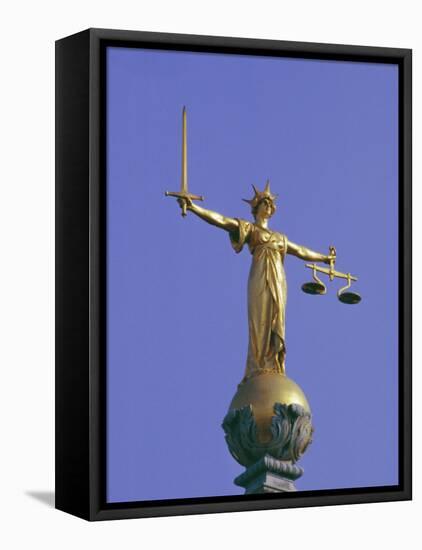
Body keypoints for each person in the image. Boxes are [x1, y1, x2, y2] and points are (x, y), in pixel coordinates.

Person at [178, 181, 334, 381]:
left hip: (278, 278)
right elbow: (222, 221)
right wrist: (193, 207)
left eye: (270, 204)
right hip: (259, 275)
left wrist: (324, 258)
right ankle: (258, 364)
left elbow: (301, 251)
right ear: (256, 208)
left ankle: (274, 362)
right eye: (264, 203)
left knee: (276, 318)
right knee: (259, 320)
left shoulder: (280, 238)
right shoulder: (250, 229)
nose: (268, 206)